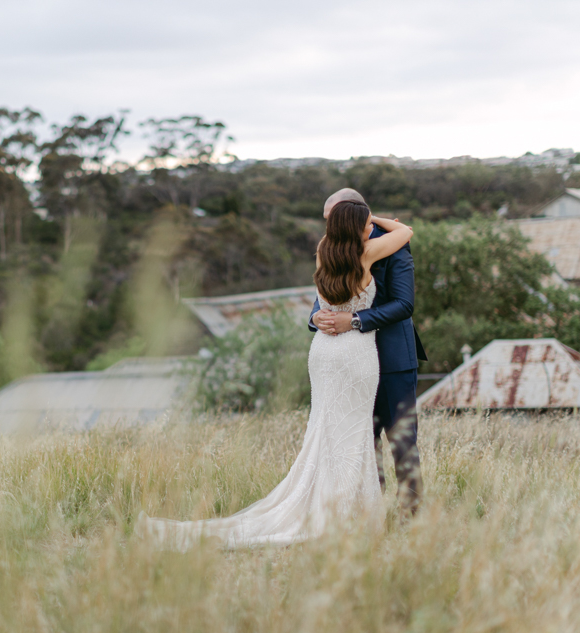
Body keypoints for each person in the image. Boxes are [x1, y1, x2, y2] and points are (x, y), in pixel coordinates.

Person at [138, 194, 414, 550]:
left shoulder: (323, 251)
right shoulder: (367, 253)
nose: (368, 227)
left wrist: (320, 314)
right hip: (354, 353)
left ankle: (338, 506)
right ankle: (347, 513)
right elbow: (406, 230)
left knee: (330, 432)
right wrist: (375, 217)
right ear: (358, 227)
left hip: (325, 354)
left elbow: (326, 299)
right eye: (363, 224)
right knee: (353, 434)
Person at [309, 188, 427, 516]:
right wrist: (315, 316)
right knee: (356, 441)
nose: (329, 227)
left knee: (402, 443)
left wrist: (355, 320)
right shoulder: (331, 247)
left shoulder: (392, 245)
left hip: (391, 359)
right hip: (346, 361)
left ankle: (410, 517)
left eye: (333, 219)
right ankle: (366, 513)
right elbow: (324, 292)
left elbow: (404, 304)